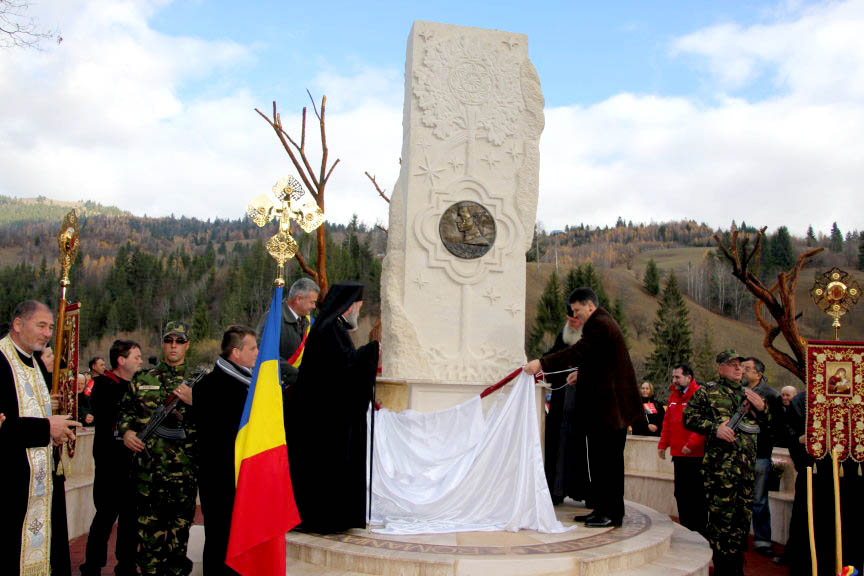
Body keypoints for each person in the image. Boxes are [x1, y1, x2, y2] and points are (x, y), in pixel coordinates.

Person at [524, 287, 641, 528]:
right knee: (599, 462)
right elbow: (599, 360)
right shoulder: (600, 323)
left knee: (608, 464)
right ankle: (601, 509)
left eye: (578, 310)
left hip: (611, 410)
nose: (576, 316)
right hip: (605, 408)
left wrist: (542, 363)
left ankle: (611, 513)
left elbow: (579, 351)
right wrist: (582, 373)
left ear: (590, 305)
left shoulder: (600, 325)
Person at [288, 282, 379, 533]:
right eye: (358, 307)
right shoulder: (329, 330)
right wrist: (371, 351)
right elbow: (344, 369)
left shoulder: (331, 328)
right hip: (323, 418)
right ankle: (325, 519)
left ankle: (332, 516)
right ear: (348, 307)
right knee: (323, 473)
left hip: (325, 414)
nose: (358, 312)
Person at [0, 300, 81, 576]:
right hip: (10, 489)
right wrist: (47, 428)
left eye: (50, 327)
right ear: (19, 324)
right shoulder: (0, 361)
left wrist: (55, 430)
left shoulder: (35, 365)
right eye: (42, 325)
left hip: (42, 485)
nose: (48, 334)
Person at [117, 321, 198, 576]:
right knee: (149, 542)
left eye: (179, 341)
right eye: (169, 341)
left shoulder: (199, 382)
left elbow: (217, 422)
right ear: (163, 343)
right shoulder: (143, 378)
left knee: (178, 541)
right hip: (148, 474)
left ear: (187, 345)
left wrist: (195, 402)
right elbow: (124, 413)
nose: (173, 346)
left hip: (183, 476)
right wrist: (127, 432)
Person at [684, 349, 769, 576]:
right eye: (732, 364)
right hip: (720, 472)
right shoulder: (708, 392)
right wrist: (715, 429)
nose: (738, 368)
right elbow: (689, 418)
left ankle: (736, 568)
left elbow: (770, 425)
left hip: (745, 472)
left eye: (740, 365)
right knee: (721, 526)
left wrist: (762, 409)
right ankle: (724, 569)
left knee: (741, 525)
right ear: (720, 367)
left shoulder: (750, 395)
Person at [195, 325, 259, 576]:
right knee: (221, 539)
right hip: (222, 477)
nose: (257, 352)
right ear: (236, 352)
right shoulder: (217, 386)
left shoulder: (242, 384)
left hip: (235, 474)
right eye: (252, 348)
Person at [80, 339, 144, 576]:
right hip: (110, 461)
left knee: (131, 517)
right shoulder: (103, 384)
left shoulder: (138, 384)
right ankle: (92, 565)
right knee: (106, 515)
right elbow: (107, 417)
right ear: (121, 359)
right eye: (136, 357)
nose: (140, 361)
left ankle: (126, 563)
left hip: (133, 461)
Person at [543, 310, 591, 506]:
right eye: (568, 320)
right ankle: (557, 490)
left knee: (582, 449)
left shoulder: (591, 338)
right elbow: (553, 356)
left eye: (575, 320)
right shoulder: (563, 337)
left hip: (583, 405)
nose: (571, 324)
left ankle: (586, 492)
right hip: (560, 402)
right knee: (557, 445)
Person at [657, 364, 706, 535]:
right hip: (678, 454)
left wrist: (691, 445)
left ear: (689, 378)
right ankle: (687, 528)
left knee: (696, 496)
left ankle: (699, 530)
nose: (674, 380)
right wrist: (663, 444)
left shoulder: (699, 395)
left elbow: (702, 425)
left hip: (695, 455)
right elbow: (668, 423)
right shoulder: (673, 396)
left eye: (677, 377)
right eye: (673, 377)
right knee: (681, 494)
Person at [741, 356, 782, 557]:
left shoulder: (771, 395)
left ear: (758, 373)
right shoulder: (736, 392)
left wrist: (759, 412)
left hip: (760, 454)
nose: (743, 371)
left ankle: (762, 539)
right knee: (739, 498)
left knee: (759, 500)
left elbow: (776, 426)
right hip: (739, 454)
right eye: (742, 368)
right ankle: (739, 537)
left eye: (747, 368)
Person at [258, 277, 319, 390]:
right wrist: (296, 375)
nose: (314, 306)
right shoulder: (272, 319)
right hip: (276, 388)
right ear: (299, 299)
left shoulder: (308, 321)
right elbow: (264, 353)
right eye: (312, 302)